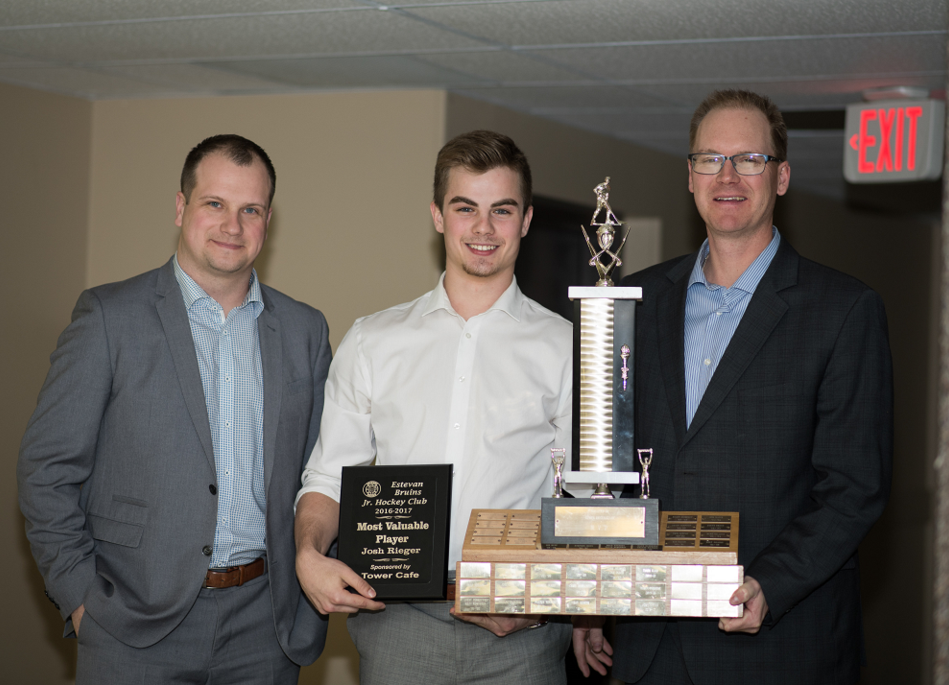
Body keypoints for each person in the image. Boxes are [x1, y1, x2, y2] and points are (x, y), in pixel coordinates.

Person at [573, 90, 893, 684]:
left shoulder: (843, 310)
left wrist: (771, 583)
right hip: (649, 644)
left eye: (749, 159)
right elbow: (611, 464)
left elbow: (855, 487)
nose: (727, 175)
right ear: (689, 176)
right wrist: (597, 594)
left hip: (777, 643)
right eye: (709, 159)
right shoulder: (633, 303)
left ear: (782, 177)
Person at [17, 134, 332, 684]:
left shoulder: (305, 330)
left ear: (268, 219)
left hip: (265, 626)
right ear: (182, 207)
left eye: (250, 209)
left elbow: (323, 473)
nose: (232, 225)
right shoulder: (109, 317)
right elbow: (47, 472)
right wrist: (81, 599)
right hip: (132, 623)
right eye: (215, 204)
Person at [294, 130, 574, 685]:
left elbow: (587, 500)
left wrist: (542, 601)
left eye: (502, 210)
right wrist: (309, 554)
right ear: (438, 215)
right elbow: (328, 476)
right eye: (465, 207)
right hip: (399, 625)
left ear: (526, 220)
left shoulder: (565, 347)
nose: (484, 228)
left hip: (521, 632)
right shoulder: (374, 340)